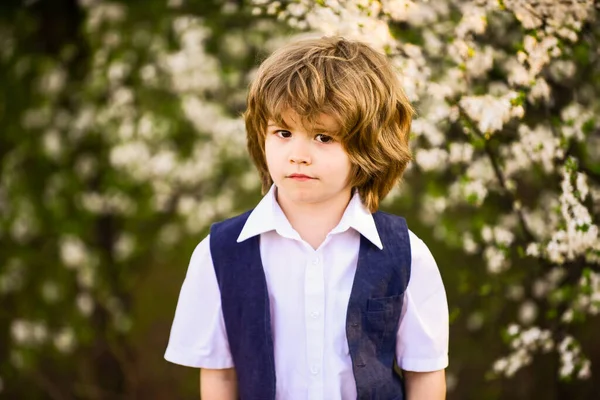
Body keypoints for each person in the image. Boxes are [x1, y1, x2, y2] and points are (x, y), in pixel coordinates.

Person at [164, 36, 449, 400]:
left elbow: (425, 376)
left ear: (369, 148)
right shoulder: (219, 254)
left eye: (323, 137)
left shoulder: (407, 254)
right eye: (283, 133)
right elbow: (220, 377)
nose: (298, 155)